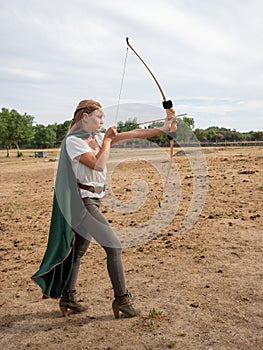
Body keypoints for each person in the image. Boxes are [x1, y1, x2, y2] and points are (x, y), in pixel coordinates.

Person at [32, 99, 177, 318]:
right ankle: (122, 300)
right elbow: (97, 164)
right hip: (83, 202)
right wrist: (107, 140)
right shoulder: (74, 142)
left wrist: (164, 127)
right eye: (99, 116)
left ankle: (68, 298)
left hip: (95, 199)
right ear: (85, 117)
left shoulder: (96, 137)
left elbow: (135, 133)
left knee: (79, 251)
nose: (102, 121)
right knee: (114, 246)